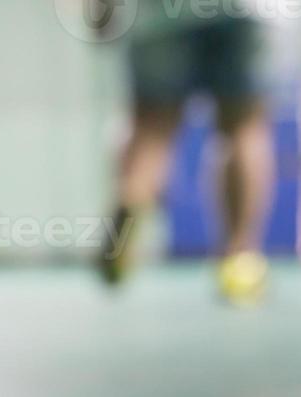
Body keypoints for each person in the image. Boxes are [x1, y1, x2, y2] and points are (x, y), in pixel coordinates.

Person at [98, 0, 274, 305]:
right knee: (242, 127)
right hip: (245, 10)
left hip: (160, 15)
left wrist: (103, 12)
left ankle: (131, 202)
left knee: (152, 130)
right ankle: (240, 259)